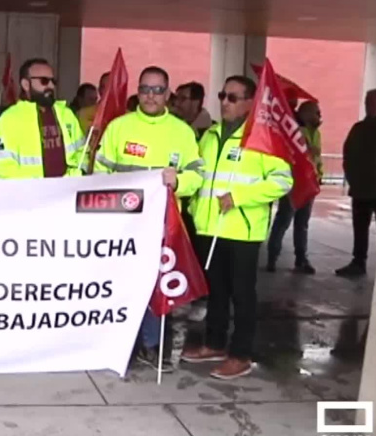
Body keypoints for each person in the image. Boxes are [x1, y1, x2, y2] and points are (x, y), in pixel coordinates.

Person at [93, 66, 205, 372]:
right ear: (138, 92)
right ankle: (120, 343)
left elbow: (198, 176)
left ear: (167, 94)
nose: (151, 96)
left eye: (157, 90)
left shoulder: (182, 132)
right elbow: (100, 175)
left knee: (154, 288)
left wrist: (179, 181)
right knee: (121, 286)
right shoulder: (119, 127)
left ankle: (152, 347)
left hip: (162, 226)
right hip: (122, 225)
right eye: (145, 89)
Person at [182, 75, 293, 380]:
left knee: (242, 295)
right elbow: (199, 178)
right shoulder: (210, 135)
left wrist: (240, 197)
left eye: (232, 97)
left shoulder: (262, 137)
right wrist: (193, 208)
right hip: (209, 227)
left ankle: (241, 354)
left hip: (242, 230)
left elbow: (283, 180)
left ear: (249, 102)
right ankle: (215, 343)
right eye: (222, 95)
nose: (224, 102)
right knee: (215, 291)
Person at [0, 58, 86, 179]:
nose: (51, 86)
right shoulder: (9, 119)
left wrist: (71, 179)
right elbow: (4, 168)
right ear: (26, 84)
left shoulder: (66, 114)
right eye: (44, 81)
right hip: (30, 195)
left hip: (66, 192)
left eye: (53, 81)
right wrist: (39, 187)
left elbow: (83, 154)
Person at [335, 89, 376, 277]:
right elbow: (348, 154)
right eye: (367, 103)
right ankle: (358, 262)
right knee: (360, 228)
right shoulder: (359, 128)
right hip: (361, 188)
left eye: (374, 104)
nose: (369, 107)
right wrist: (352, 177)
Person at [267, 100, 324, 274]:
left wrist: (319, 174)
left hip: (309, 182)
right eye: (316, 112)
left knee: (302, 223)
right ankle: (272, 257)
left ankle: (301, 259)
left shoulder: (316, 133)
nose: (319, 115)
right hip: (294, 182)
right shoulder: (292, 130)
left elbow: (316, 158)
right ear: (306, 113)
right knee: (283, 220)